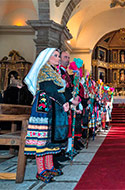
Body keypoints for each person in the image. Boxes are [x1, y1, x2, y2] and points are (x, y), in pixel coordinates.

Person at [24, 48, 69, 183]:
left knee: (49, 136)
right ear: (47, 57)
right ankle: (41, 170)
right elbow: (50, 89)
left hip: (52, 105)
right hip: (43, 104)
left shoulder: (53, 70)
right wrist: (64, 102)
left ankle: (49, 166)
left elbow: (57, 90)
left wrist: (65, 101)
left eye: (58, 55)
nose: (58, 58)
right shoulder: (44, 69)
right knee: (42, 136)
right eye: (55, 56)